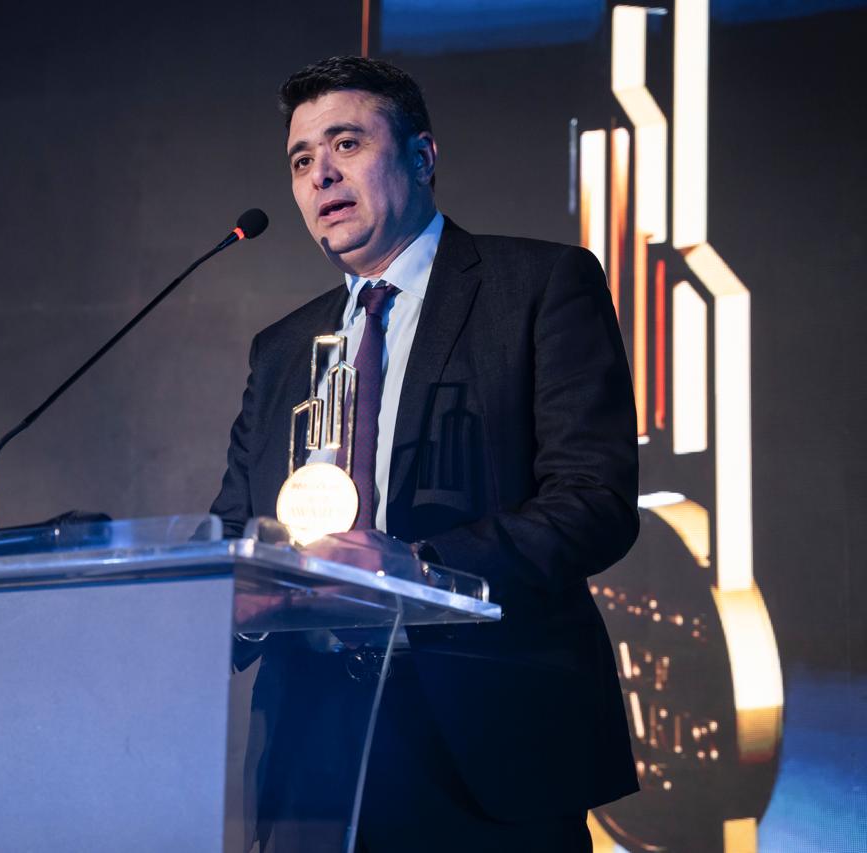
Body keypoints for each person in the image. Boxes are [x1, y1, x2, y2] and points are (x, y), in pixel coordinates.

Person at [210, 56, 639, 851]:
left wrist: (420, 565)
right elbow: (234, 529)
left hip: (483, 741)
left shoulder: (539, 286)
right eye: (301, 160)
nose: (321, 175)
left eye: (346, 144)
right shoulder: (281, 349)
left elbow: (594, 502)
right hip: (309, 756)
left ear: (421, 156)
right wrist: (239, 606)